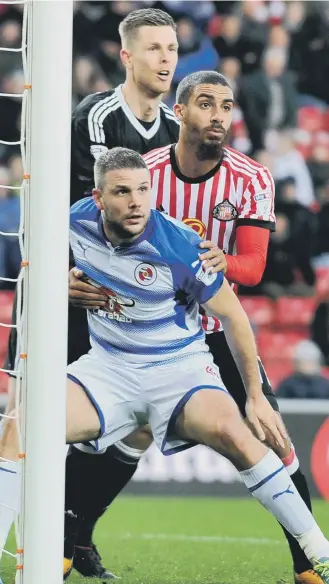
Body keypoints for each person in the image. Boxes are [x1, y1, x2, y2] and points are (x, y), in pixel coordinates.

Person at [2, 147, 329, 583]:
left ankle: (318, 553)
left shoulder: (178, 245)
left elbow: (233, 316)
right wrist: (61, 281)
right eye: (122, 192)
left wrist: (254, 396)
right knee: (18, 428)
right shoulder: (72, 220)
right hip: (109, 367)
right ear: (99, 199)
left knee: (238, 434)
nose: (136, 201)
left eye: (143, 190)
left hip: (179, 370)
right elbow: (37, 270)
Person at [70, 71, 321, 584]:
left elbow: (252, 269)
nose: (219, 116)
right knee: (122, 435)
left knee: (269, 432)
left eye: (227, 107)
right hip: (142, 329)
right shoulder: (147, 173)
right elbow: (97, 232)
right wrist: (67, 280)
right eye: (206, 104)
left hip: (216, 326)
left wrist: (209, 261)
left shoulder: (251, 178)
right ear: (179, 112)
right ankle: (73, 542)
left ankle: (308, 567)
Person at [1, 7, 182, 580]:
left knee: (139, 424)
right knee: (27, 421)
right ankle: (22, 538)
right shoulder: (97, 117)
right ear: (127, 56)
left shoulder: (176, 132)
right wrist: (58, 276)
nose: (166, 59)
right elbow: (77, 209)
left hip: (125, 305)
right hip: (69, 290)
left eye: (172, 48)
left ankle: (76, 532)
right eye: (153, 49)